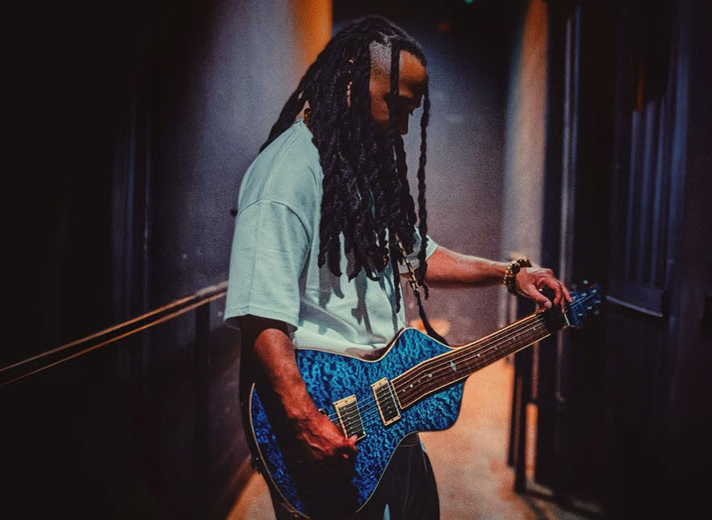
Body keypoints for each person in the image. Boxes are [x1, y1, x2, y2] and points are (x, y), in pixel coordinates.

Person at [224, 15, 570, 520]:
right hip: (328, 418)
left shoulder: (360, 170)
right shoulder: (286, 173)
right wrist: (304, 423)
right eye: (396, 105)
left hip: (386, 407)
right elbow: (261, 316)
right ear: (349, 78)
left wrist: (511, 273)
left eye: (412, 110)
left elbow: (419, 256)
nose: (404, 125)